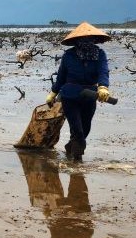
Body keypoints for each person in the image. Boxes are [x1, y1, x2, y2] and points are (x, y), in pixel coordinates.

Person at [46, 22, 112, 160]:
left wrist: (103, 87)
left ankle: (71, 147)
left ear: (94, 40)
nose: (87, 42)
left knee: (86, 127)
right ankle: (77, 161)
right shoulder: (69, 55)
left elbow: (103, 71)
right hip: (70, 96)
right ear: (77, 40)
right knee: (77, 129)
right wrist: (53, 93)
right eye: (83, 39)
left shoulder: (100, 54)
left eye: (90, 39)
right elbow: (61, 76)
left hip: (90, 95)